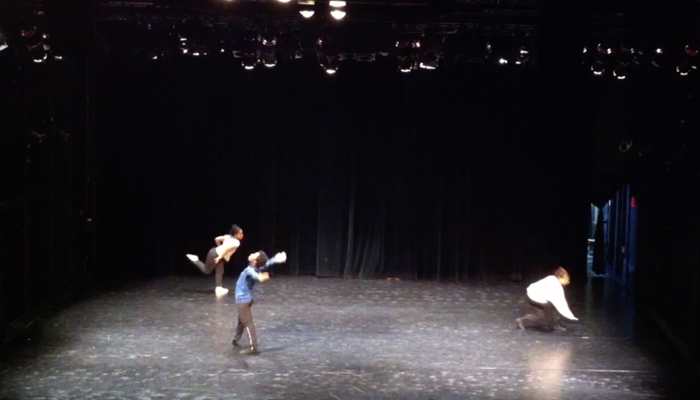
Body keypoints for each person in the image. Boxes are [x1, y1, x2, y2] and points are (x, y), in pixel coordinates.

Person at [233, 250, 287, 355]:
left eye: (255, 255)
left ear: (254, 261)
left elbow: (258, 277)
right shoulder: (255, 268)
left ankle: (254, 348)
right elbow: (267, 263)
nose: (252, 253)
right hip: (246, 299)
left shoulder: (250, 270)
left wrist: (264, 276)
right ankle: (236, 338)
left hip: (243, 300)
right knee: (241, 320)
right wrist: (276, 259)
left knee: (247, 323)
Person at [186, 224, 244, 296]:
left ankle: (219, 288)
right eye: (240, 233)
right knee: (207, 270)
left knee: (220, 271)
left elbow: (216, 239)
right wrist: (219, 256)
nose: (242, 235)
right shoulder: (237, 243)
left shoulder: (228, 237)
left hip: (214, 251)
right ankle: (195, 260)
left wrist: (220, 247)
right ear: (235, 234)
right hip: (216, 255)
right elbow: (226, 250)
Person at [516, 267, 578, 331]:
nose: (568, 282)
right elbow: (561, 303)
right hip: (533, 298)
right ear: (560, 277)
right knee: (541, 315)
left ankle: (554, 324)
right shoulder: (555, 285)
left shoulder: (552, 278)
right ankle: (521, 320)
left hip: (536, 297)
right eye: (566, 279)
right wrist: (570, 316)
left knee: (552, 308)